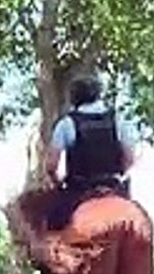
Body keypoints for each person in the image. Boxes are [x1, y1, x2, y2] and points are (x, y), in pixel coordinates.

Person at [44, 74, 138, 230]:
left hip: (79, 189)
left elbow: (51, 165)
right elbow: (129, 159)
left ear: (74, 98)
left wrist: (58, 182)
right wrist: (117, 175)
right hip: (113, 186)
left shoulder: (66, 124)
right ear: (97, 95)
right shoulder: (118, 120)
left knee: (52, 228)